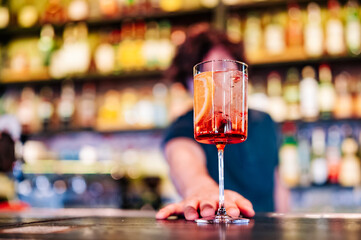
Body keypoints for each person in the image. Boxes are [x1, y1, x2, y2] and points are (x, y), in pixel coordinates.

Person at [156, 25, 288, 221]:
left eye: (224, 68)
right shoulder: (185, 125)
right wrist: (202, 190)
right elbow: (183, 160)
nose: (217, 82)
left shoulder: (265, 121)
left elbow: (278, 187)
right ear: (189, 84)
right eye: (205, 73)